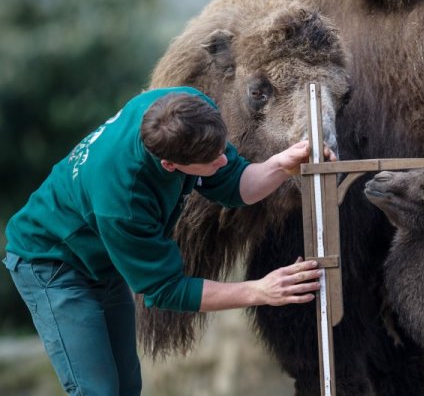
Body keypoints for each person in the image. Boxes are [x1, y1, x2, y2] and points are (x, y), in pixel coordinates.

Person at [2, 86, 332, 396]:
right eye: (211, 160)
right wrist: (258, 291)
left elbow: (235, 186)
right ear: (170, 165)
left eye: (221, 149)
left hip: (103, 260)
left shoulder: (187, 108)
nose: (222, 161)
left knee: (127, 386)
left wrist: (279, 164)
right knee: (97, 390)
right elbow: (166, 289)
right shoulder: (123, 200)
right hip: (52, 264)